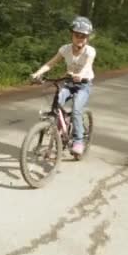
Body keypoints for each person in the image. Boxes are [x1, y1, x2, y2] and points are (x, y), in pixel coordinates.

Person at [30, 16, 96, 155]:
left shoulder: (90, 51)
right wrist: (37, 73)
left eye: (83, 36)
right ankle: (59, 134)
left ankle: (78, 140)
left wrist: (81, 75)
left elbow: (88, 64)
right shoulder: (65, 49)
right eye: (77, 35)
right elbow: (51, 63)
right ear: (71, 34)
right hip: (68, 82)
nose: (80, 38)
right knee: (56, 104)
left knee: (77, 110)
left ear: (87, 37)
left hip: (83, 84)